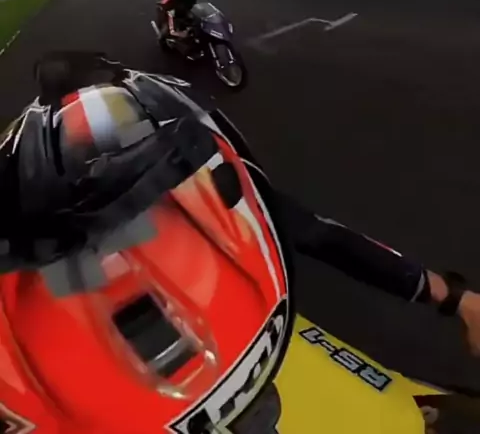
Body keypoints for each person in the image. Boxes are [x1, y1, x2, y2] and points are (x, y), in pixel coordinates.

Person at [1, 49, 480, 434]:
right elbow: (315, 231)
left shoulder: (191, 189)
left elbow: (308, 229)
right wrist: (454, 298)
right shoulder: (189, 183)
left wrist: (456, 298)